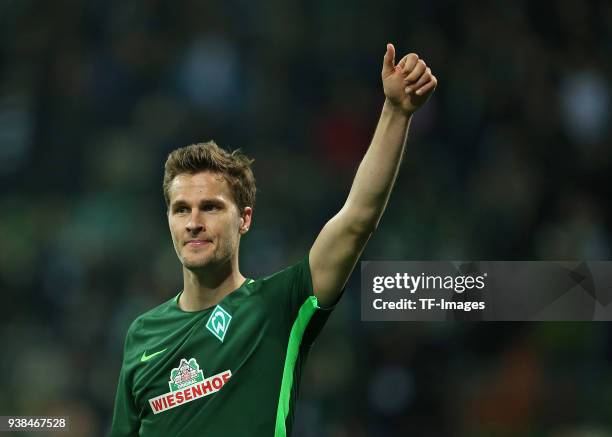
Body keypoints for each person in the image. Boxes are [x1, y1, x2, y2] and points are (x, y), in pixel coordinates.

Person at [110, 43, 437, 437]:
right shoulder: (142, 335)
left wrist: (396, 112)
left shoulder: (277, 306)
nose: (193, 222)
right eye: (181, 209)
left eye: (211, 208)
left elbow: (356, 221)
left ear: (244, 219)